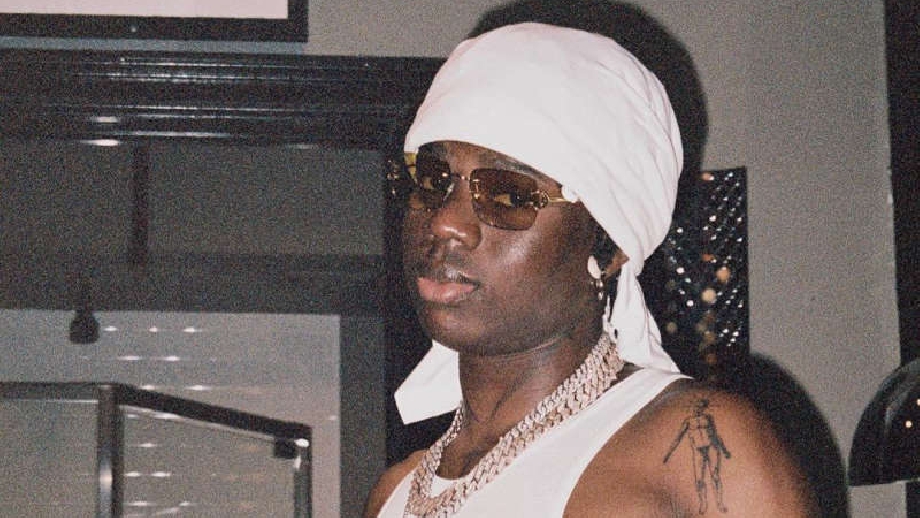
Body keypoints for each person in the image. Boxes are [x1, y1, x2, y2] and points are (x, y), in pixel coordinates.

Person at [365, 23, 817, 517]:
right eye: (433, 180)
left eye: (508, 194)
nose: (446, 222)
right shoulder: (397, 493)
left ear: (608, 247)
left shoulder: (697, 455)